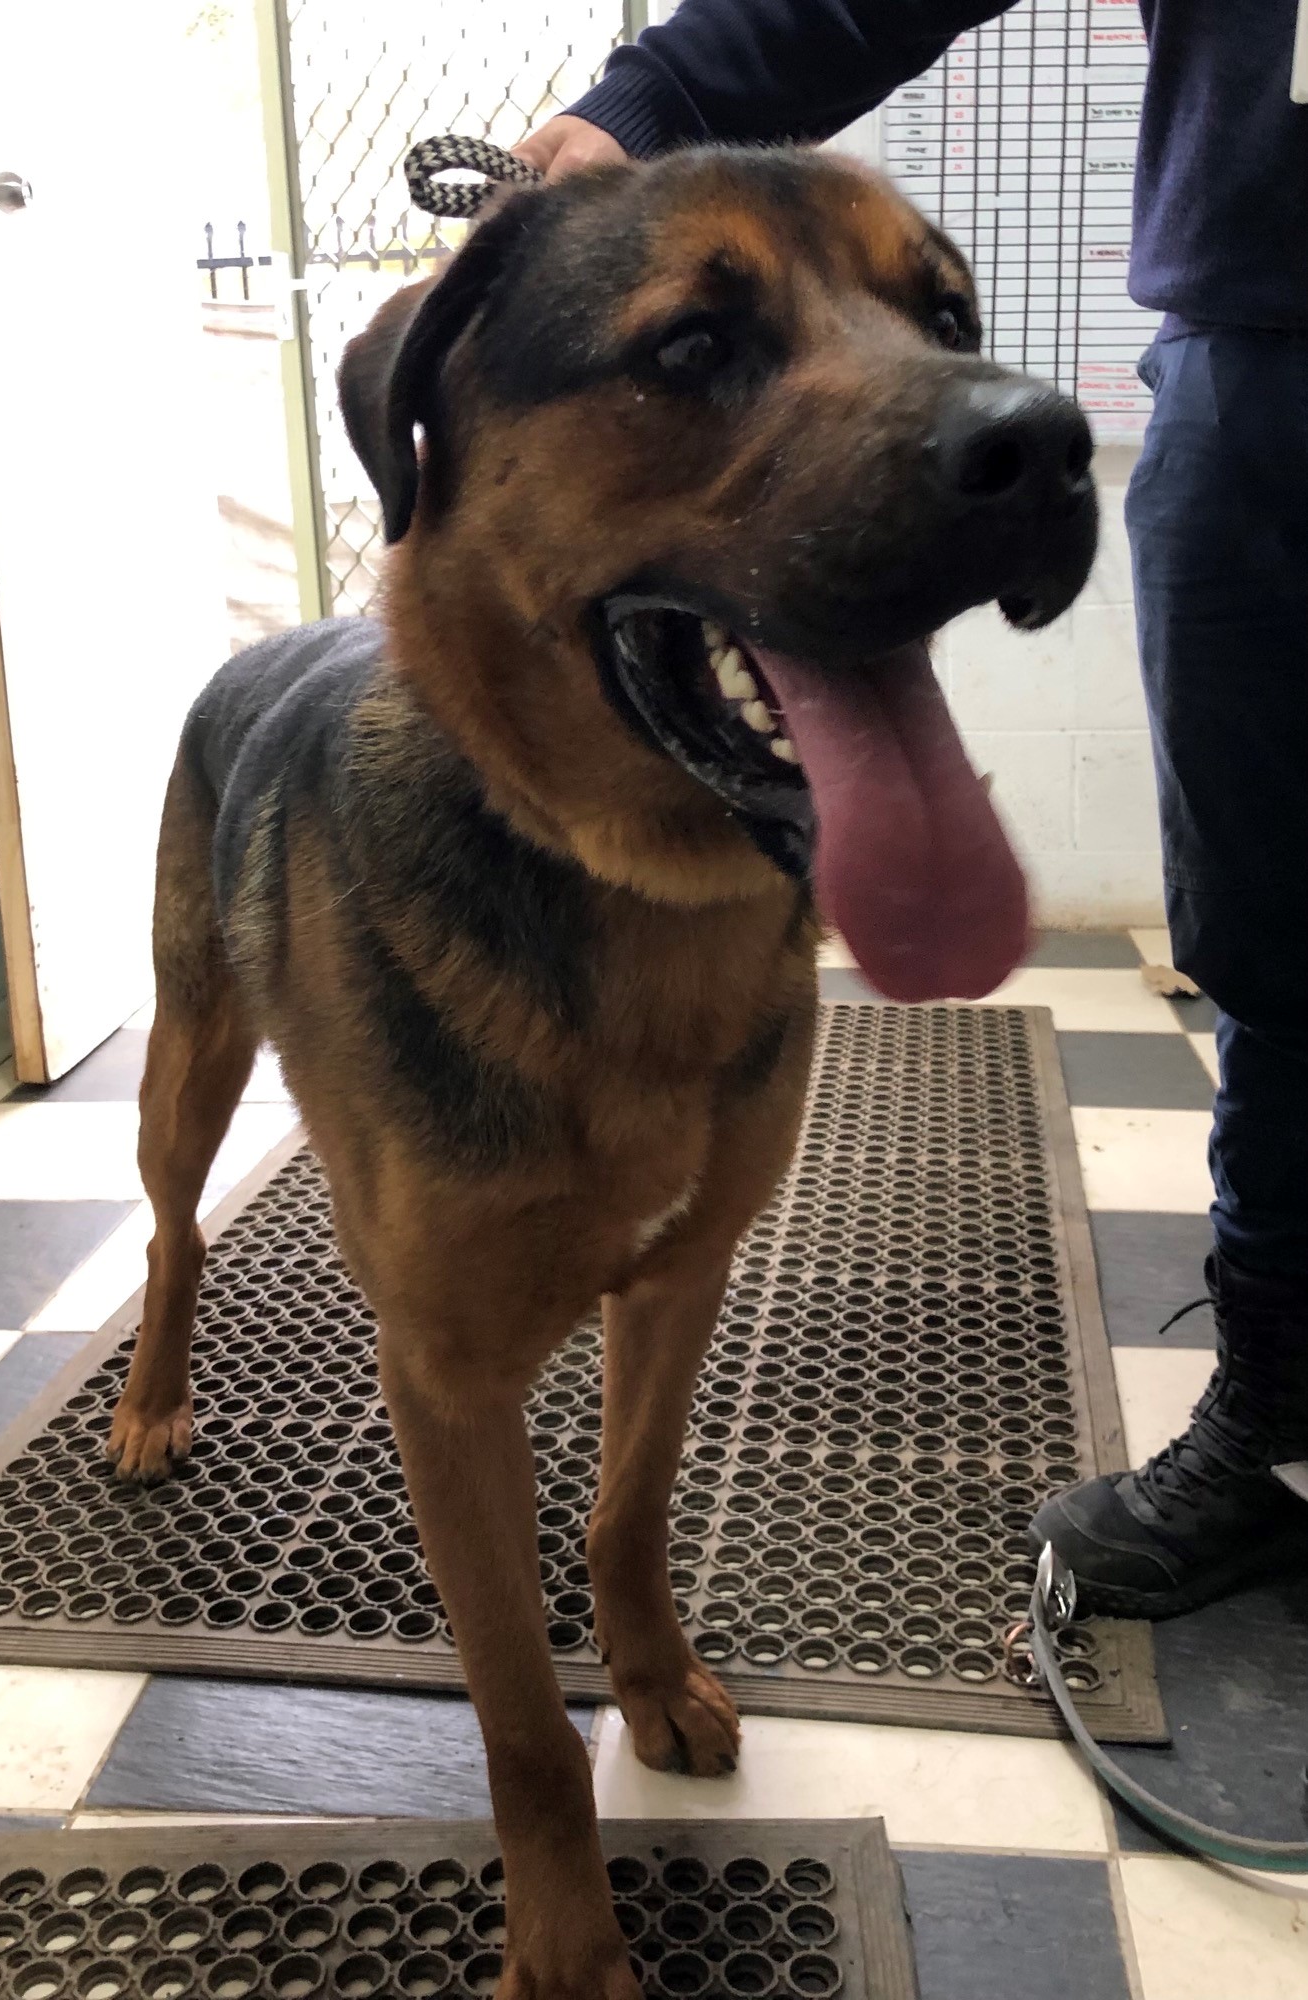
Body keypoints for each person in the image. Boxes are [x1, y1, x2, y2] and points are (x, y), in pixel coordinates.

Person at [516, 0, 1308, 1621]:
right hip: (1257, 349)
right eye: (701, 353)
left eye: (935, 319)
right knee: (1271, 942)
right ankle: (1283, 1411)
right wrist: (651, 95)